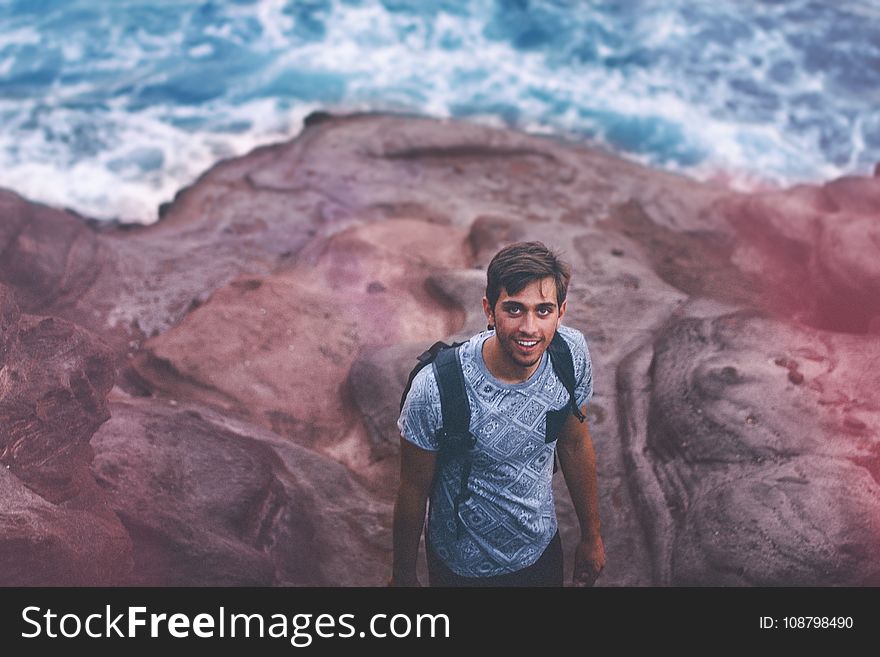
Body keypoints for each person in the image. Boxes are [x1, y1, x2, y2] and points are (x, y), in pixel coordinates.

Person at [390, 241, 605, 587]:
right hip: (461, 569)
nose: (530, 329)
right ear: (489, 311)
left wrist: (591, 536)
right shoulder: (436, 389)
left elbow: (575, 442)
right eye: (514, 309)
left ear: (561, 312)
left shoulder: (570, 354)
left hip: (541, 551)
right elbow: (413, 489)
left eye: (544, 310)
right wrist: (402, 576)